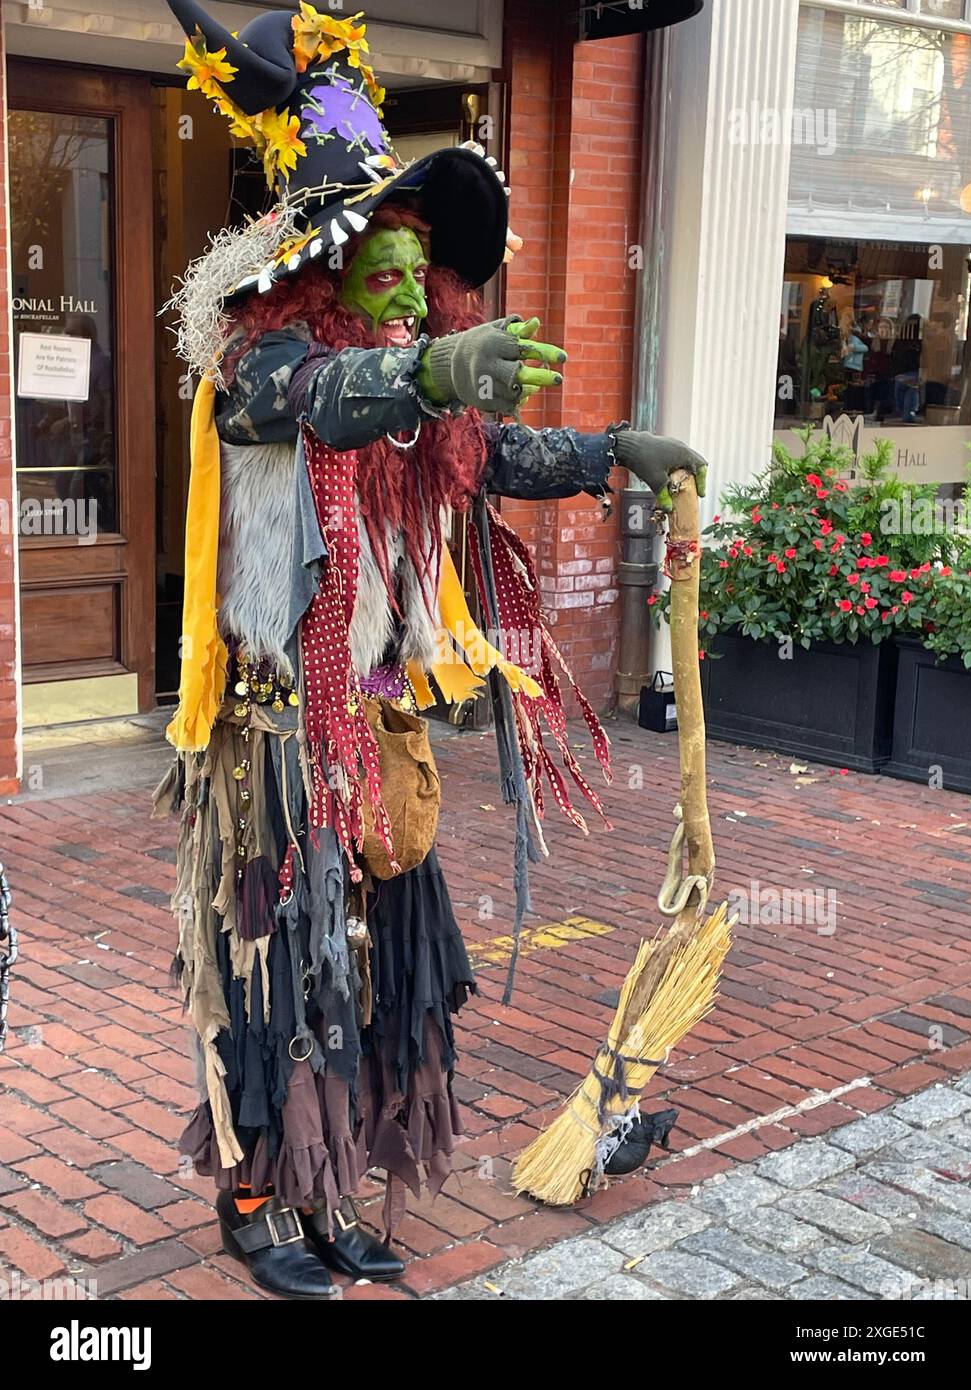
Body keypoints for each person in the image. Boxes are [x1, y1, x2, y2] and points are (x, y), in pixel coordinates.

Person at [158, 0, 705, 1299]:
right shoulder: (264, 364)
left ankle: (333, 1191)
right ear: (322, 281)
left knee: (374, 968)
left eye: (424, 279)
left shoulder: (415, 378)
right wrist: (429, 372)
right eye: (384, 278)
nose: (411, 299)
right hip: (273, 734)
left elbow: (486, 450)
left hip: (381, 717)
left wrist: (610, 450)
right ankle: (256, 1198)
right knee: (281, 965)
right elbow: (324, 402)